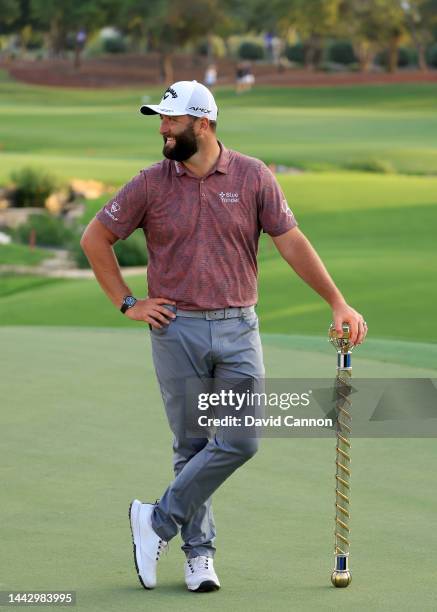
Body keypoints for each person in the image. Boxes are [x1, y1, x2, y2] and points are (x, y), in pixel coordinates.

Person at [80, 80, 367, 593]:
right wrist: (128, 302)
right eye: (160, 120)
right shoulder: (150, 182)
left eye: (171, 120)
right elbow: (95, 238)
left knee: (240, 439)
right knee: (191, 445)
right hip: (176, 330)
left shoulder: (254, 176)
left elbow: (292, 242)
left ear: (203, 123)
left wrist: (337, 300)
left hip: (238, 328)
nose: (163, 129)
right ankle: (199, 557)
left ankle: (156, 521)